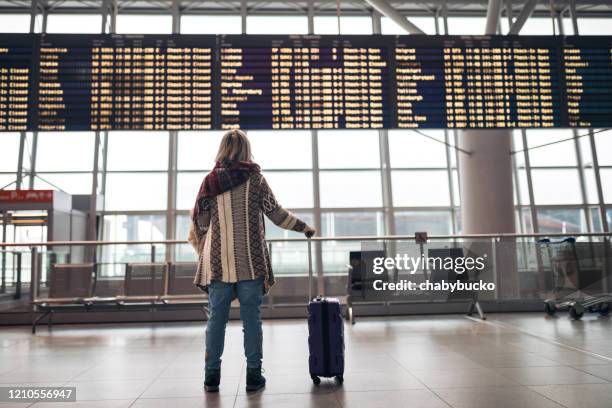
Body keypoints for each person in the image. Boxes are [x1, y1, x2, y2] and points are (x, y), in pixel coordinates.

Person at [188, 129, 316, 393]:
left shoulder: (210, 182)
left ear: (222, 149)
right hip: (250, 260)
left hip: (217, 263)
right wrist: (303, 227)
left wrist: (210, 239)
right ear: (246, 150)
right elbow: (276, 213)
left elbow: (200, 222)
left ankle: (211, 377)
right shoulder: (256, 179)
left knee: (216, 321)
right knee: (252, 321)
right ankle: (253, 376)